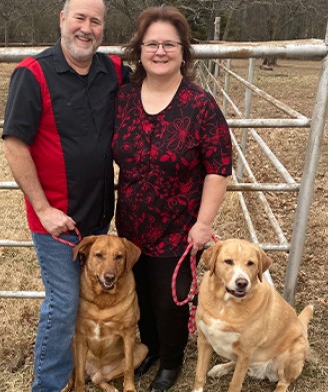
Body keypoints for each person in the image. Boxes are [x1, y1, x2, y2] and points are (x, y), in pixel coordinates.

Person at [1, 0, 130, 390]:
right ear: (62, 19)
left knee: (92, 293)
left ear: (103, 28)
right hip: (56, 220)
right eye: (79, 18)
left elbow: (158, 78)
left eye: (96, 21)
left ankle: (87, 364)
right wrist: (42, 209)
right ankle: (49, 385)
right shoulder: (33, 73)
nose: (86, 28)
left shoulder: (115, 71)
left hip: (99, 217)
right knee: (64, 303)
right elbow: (14, 144)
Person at [112, 5, 232, 392]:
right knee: (141, 293)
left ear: (183, 51)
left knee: (170, 300)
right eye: (152, 43)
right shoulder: (123, 99)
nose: (159, 51)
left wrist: (204, 224)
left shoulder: (199, 106)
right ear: (139, 50)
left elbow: (218, 168)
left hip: (179, 228)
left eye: (169, 44)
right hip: (130, 222)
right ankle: (148, 349)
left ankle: (171, 361)